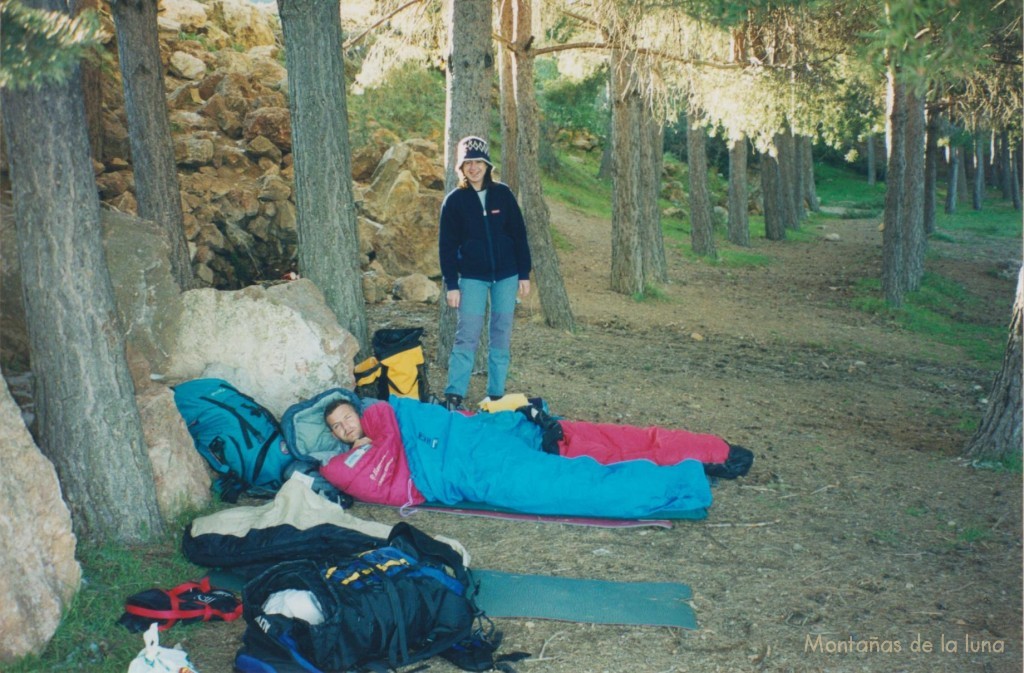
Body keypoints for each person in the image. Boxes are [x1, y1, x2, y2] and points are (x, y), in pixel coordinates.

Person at [319, 395, 753, 519]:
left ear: (356, 410)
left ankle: (717, 454)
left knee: (589, 451)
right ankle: (689, 474)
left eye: (345, 418)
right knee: (578, 473)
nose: (344, 428)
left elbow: (389, 416)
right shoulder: (347, 463)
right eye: (336, 428)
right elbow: (350, 476)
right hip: (469, 465)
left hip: (478, 442)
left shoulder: (382, 416)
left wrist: (371, 436)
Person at [438, 136, 532, 411]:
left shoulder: (503, 194)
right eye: (468, 163)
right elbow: (446, 246)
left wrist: (523, 273)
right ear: (461, 168)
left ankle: (496, 395)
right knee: (467, 333)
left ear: (487, 164)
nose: (474, 167)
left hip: (506, 275)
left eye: (478, 161)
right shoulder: (454, 201)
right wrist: (452, 285)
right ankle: (454, 394)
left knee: (501, 332)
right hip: (471, 278)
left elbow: (519, 235)